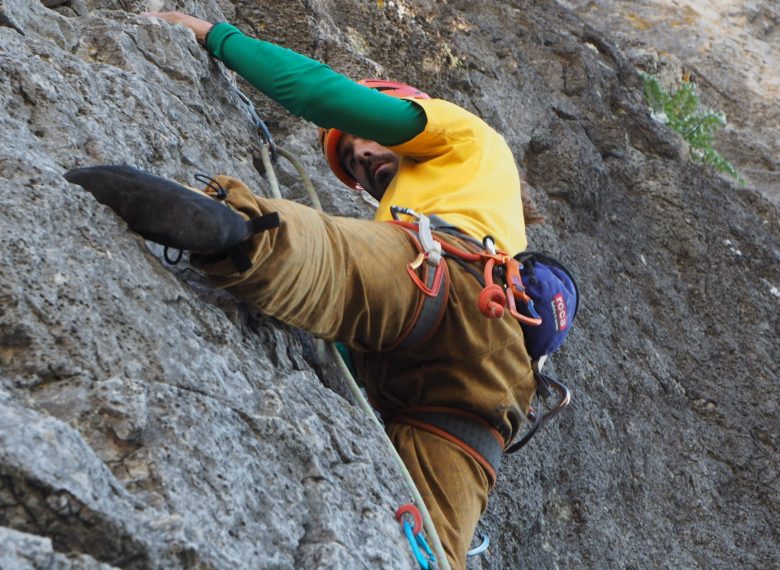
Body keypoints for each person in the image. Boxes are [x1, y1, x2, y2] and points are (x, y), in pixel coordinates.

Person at [66, 11, 548, 569]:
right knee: (436, 550)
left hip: (446, 273)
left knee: (334, 257)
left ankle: (236, 228)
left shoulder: (463, 136)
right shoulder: (465, 202)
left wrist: (216, 36)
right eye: (350, 163)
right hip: (486, 391)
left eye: (365, 142)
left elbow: (325, 96)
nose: (361, 156)